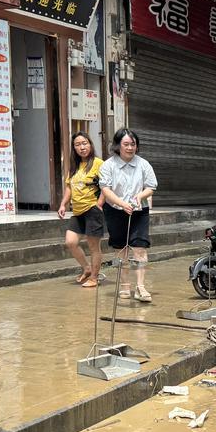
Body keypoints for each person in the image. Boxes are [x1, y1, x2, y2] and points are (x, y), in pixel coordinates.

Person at [100, 128, 158, 303]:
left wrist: (140, 196)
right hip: (115, 211)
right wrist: (121, 203)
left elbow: (151, 186)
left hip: (139, 211)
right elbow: (105, 189)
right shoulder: (108, 165)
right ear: (118, 145)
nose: (130, 148)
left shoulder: (143, 164)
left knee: (140, 247)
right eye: (126, 144)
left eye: (133, 144)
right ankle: (125, 285)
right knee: (121, 249)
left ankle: (140, 286)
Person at [58, 132, 106, 288]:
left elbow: (107, 185)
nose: (82, 147)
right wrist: (63, 204)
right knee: (70, 242)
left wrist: (99, 203)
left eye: (84, 143)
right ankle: (86, 268)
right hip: (77, 211)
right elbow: (69, 187)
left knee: (93, 247)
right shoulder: (73, 166)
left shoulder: (99, 163)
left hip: (92, 210)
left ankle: (94, 277)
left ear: (90, 144)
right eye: (77, 144)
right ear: (74, 148)